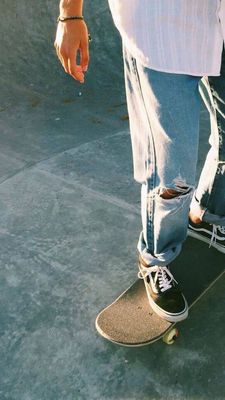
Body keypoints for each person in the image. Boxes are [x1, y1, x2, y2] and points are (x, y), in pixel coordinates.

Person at [54, 0, 225, 323]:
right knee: (172, 172)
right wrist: (70, 13)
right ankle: (155, 258)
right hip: (161, 26)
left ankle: (209, 215)